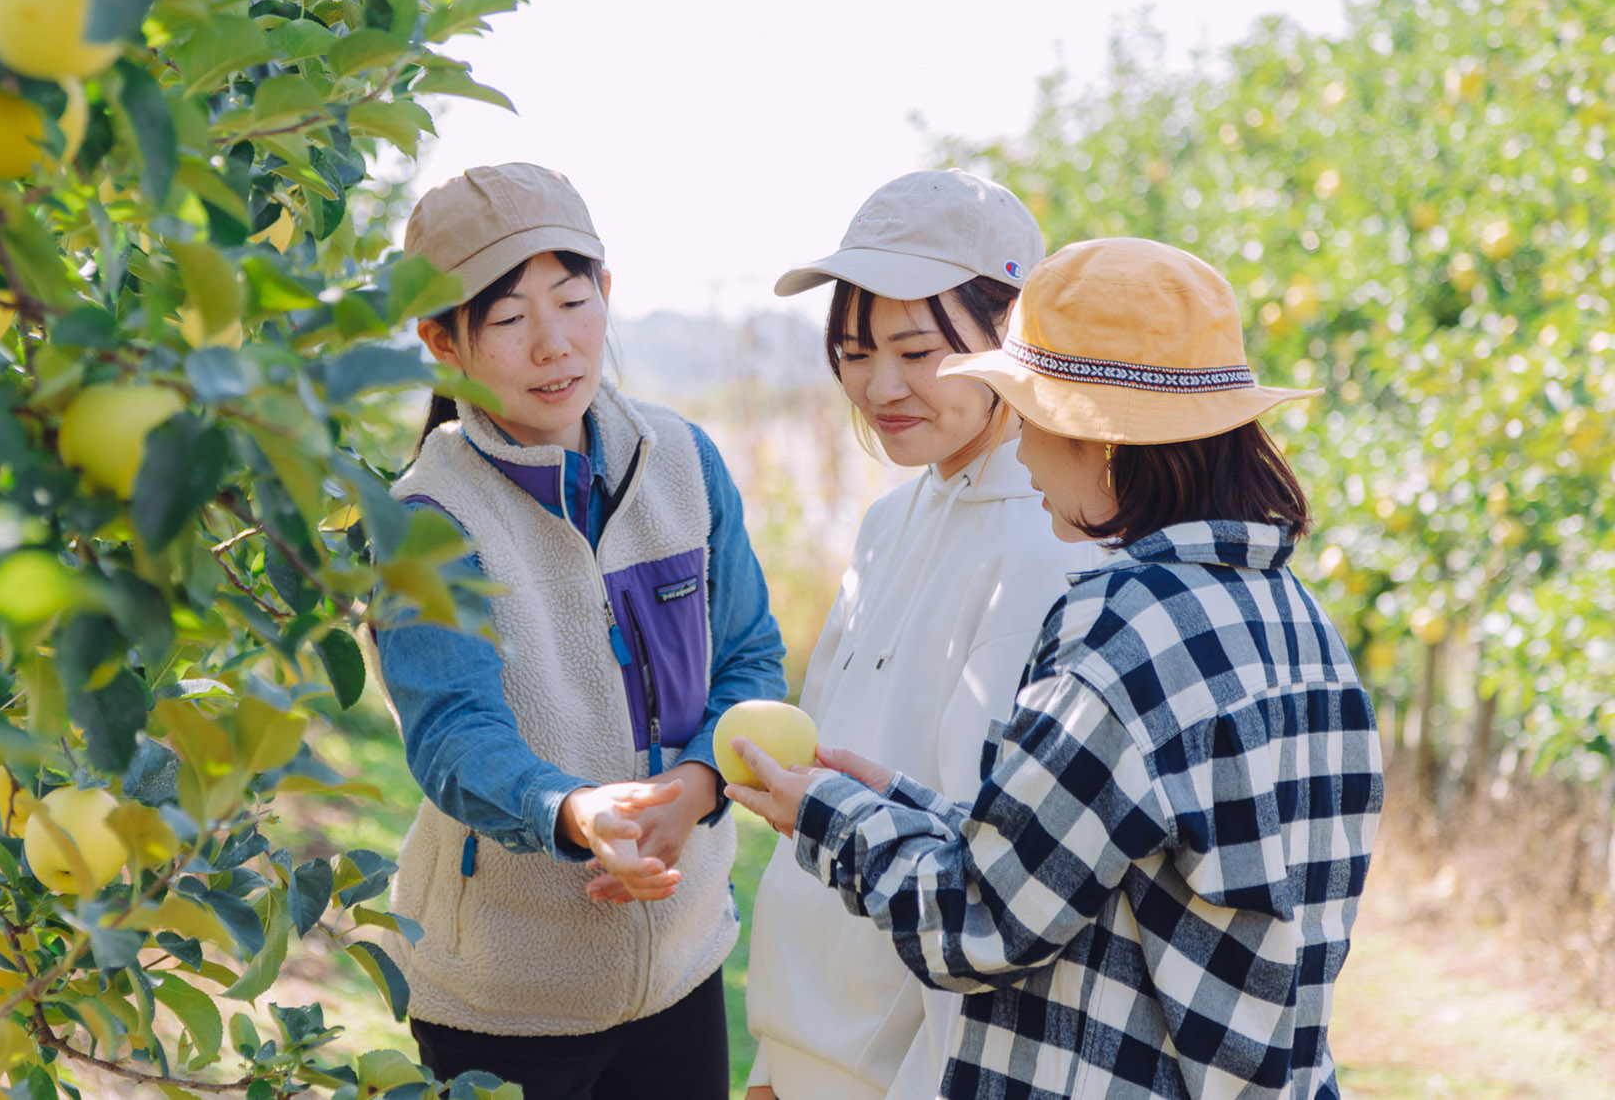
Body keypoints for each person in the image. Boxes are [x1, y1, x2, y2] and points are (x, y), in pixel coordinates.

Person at [727, 237, 1384, 1100]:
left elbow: (982, 923)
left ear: (1102, 439)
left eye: (1030, 416)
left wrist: (828, 817)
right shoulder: (1294, 620)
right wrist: (904, 803)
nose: (1023, 450)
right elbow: (1092, 857)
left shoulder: (1122, 623)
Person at [371, 162, 787, 1099]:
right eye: (511, 321)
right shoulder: (429, 517)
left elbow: (751, 657)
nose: (555, 345)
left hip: (680, 965)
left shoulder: (683, 461)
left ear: (607, 291)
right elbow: (452, 738)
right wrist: (574, 814)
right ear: (443, 342)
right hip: (503, 997)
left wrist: (695, 781)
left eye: (572, 299)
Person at [744, 170, 1104, 1100]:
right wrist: (769, 1064)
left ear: (1015, 334)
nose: (880, 385)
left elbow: (989, 888)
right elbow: (821, 784)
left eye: (916, 350)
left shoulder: (1041, 546)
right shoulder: (889, 522)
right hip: (802, 1058)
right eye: (857, 351)